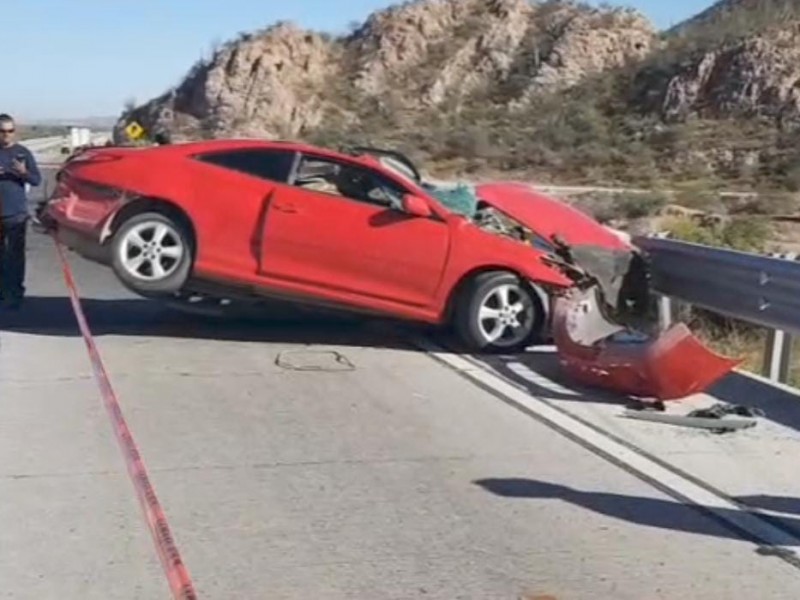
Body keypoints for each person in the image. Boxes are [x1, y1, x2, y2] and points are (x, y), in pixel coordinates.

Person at [0, 114, 42, 310]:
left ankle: (15, 292)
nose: (6, 135)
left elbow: (36, 180)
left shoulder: (22, 153)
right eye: (2, 131)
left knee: (15, 255)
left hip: (16, 213)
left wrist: (22, 172)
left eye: (10, 131)